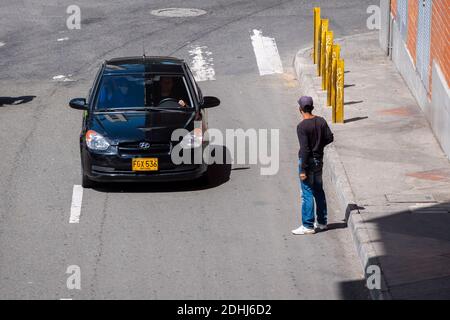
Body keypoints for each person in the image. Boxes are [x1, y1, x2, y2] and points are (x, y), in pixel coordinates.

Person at [292, 96, 334, 235]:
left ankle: (308, 225)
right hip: (318, 161)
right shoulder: (321, 121)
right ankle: (322, 222)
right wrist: (318, 146)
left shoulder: (302, 126)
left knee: (307, 193)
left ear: (300, 109)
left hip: (307, 163)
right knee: (319, 191)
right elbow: (329, 137)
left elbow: (305, 149)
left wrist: (303, 169)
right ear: (312, 107)